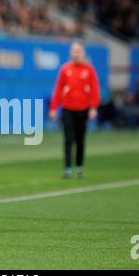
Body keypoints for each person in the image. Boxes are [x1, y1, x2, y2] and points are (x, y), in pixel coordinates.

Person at [49, 41, 100, 179]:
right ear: (70, 53)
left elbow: (95, 89)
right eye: (74, 51)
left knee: (80, 139)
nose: (76, 53)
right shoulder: (65, 69)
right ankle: (67, 168)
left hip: (83, 109)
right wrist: (53, 108)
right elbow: (58, 89)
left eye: (78, 51)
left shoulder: (89, 70)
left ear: (83, 53)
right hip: (67, 109)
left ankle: (79, 167)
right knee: (68, 139)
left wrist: (93, 107)